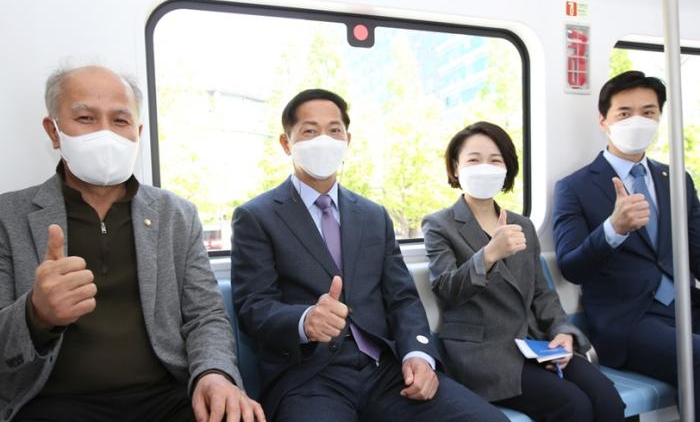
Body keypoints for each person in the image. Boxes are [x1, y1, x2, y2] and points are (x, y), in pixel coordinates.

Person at [0, 65, 264, 422]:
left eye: (120, 121)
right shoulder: (8, 217)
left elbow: (206, 316)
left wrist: (214, 374)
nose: (105, 133)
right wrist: (37, 315)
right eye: (86, 118)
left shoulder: (177, 215)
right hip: (53, 402)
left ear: (137, 133)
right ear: (54, 131)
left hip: (166, 398)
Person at [230, 89, 508, 422]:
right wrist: (305, 320)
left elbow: (402, 298)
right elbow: (253, 307)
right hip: (310, 378)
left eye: (334, 130)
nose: (324, 140)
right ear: (286, 143)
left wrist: (418, 354)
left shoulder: (373, 215)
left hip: (385, 369)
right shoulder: (256, 217)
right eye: (310, 130)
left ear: (347, 140)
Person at [422, 121, 625, 421]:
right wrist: (489, 254)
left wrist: (562, 331)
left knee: (607, 399)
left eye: (495, 160)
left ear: (507, 169)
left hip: (535, 343)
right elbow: (447, 289)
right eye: (474, 160)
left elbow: (542, 293)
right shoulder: (439, 224)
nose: (485, 168)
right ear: (455, 168)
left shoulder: (523, 225)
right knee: (574, 406)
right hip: (482, 354)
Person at [553, 70, 700, 409]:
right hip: (628, 321)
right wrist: (613, 230)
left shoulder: (676, 179)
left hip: (684, 306)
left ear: (659, 118)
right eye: (624, 113)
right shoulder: (574, 187)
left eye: (648, 112)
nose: (637, 121)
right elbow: (572, 267)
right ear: (604, 120)